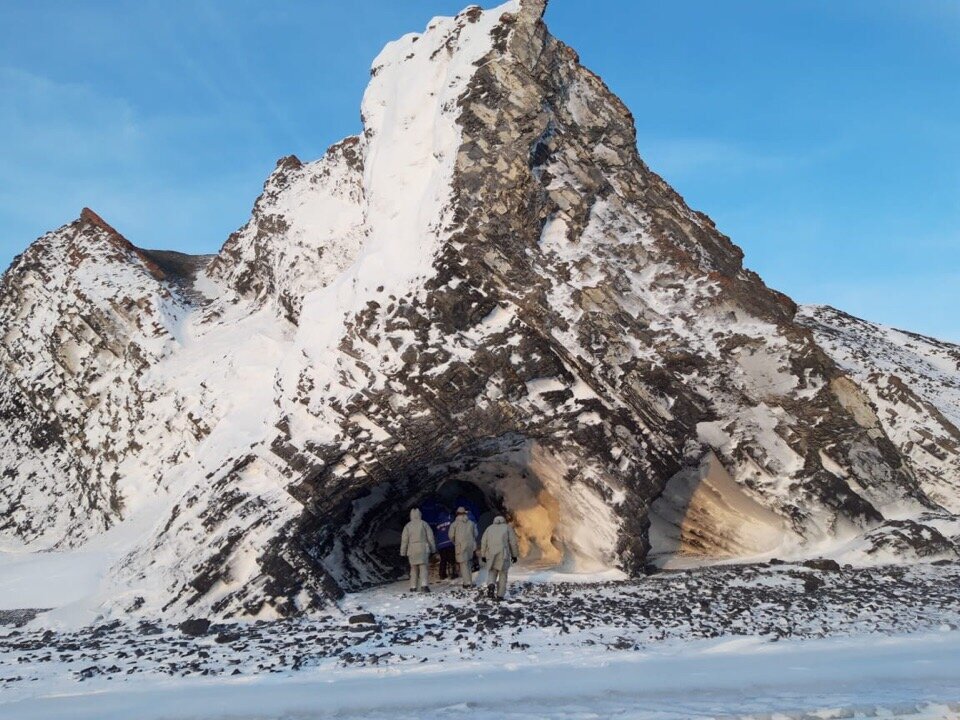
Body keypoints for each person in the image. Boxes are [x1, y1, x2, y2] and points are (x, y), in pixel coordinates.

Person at [480, 515, 519, 601]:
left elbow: (483, 542)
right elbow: (513, 542)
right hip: (503, 554)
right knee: (503, 574)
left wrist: (483, 555)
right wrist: (514, 555)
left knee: (492, 571)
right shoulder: (507, 528)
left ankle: (491, 584)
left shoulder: (489, 528)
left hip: (490, 554)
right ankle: (500, 595)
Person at [400, 508, 436, 593]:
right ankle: (424, 586)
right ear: (420, 514)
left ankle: (413, 587)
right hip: (423, 548)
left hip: (412, 549)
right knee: (423, 568)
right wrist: (433, 549)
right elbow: (430, 537)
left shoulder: (407, 526)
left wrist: (403, 552)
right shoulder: (424, 524)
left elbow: (404, 540)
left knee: (413, 568)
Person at [447, 506, 478, 588]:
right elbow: (476, 534)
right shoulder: (471, 523)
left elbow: (450, 535)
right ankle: (470, 581)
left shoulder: (454, 524)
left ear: (457, 514)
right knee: (468, 563)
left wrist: (455, 542)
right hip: (470, 546)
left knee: (463, 564)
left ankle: (467, 583)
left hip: (460, 546)